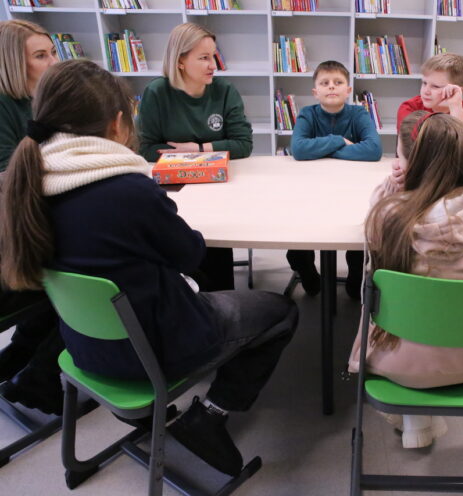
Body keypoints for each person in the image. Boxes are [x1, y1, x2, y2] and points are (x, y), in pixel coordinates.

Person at [0, 59, 298, 477]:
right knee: (281, 310)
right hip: (159, 348)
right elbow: (191, 254)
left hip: (83, 348)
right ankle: (210, 417)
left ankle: (138, 414)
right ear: (118, 123)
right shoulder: (127, 189)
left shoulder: (28, 183)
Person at [348, 112, 463, 448]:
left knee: (383, 301)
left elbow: (373, 222)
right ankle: (419, 415)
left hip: (403, 364)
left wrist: (391, 189)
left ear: (414, 165)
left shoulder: (392, 215)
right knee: (437, 304)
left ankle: (414, 414)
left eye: (399, 155)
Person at [138, 22, 253, 291]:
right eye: (203, 58)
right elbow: (145, 148)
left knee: (217, 243)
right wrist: (211, 151)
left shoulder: (225, 91)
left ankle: (220, 298)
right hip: (177, 188)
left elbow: (244, 144)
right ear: (180, 61)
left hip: (219, 185)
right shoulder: (157, 93)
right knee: (182, 242)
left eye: (213, 56)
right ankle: (190, 293)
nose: (213, 65)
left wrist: (197, 150)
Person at [0, 19, 62, 414]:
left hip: (20, 236)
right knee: (102, 267)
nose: (54, 63)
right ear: (12, 64)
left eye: (53, 52)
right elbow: (10, 180)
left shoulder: (35, 101)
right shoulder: (5, 107)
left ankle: (20, 358)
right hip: (9, 251)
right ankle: (40, 376)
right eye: (41, 56)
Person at [289, 60, 382, 298]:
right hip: (310, 192)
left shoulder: (359, 113)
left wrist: (322, 150)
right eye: (325, 83)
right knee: (297, 242)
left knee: (359, 242)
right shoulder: (307, 114)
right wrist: (338, 141)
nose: (331, 86)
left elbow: (373, 150)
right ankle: (309, 276)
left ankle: (355, 279)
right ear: (315, 91)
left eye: (338, 82)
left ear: (348, 90)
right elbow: (298, 149)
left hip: (351, 191)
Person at [397, 53, 463, 142]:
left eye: (436, 86)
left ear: (457, 91)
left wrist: (455, 109)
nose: (426, 91)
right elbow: (411, 145)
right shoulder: (409, 107)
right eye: (424, 83)